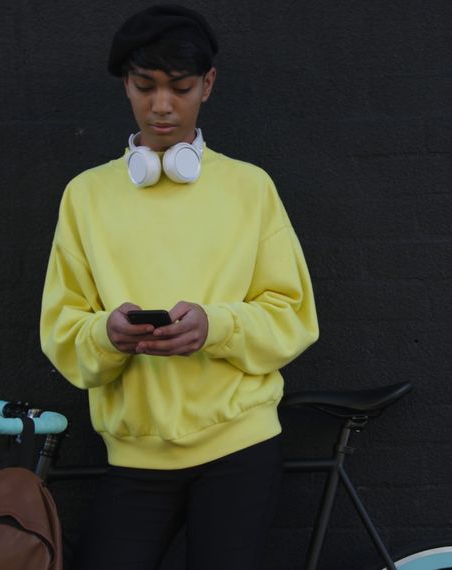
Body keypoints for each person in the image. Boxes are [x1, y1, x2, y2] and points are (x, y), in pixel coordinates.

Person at [38, 5, 319, 569]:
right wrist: (108, 335)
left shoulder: (250, 188)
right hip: (135, 456)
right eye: (145, 86)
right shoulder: (86, 196)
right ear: (126, 85)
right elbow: (62, 328)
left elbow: (292, 316)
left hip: (240, 446)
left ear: (207, 85)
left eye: (180, 87)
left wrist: (215, 326)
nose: (161, 105)